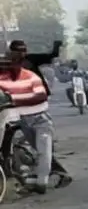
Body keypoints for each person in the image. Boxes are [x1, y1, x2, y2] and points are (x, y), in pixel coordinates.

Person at [9, 40, 71, 187]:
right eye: (17, 51)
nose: (21, 53)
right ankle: (50, 170)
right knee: (35, 143)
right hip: (20, 106)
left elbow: (52, 55)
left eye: (23, 50)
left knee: (40, 141)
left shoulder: (31, 59)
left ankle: (57, 172)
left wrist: (56, 46)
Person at [0, 51, 56, 193]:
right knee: (37, 149)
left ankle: (41, 182)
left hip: (39, 119)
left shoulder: (31, 77)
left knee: (43, 150)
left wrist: (14, 101)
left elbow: (41, 96)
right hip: (20, 121)